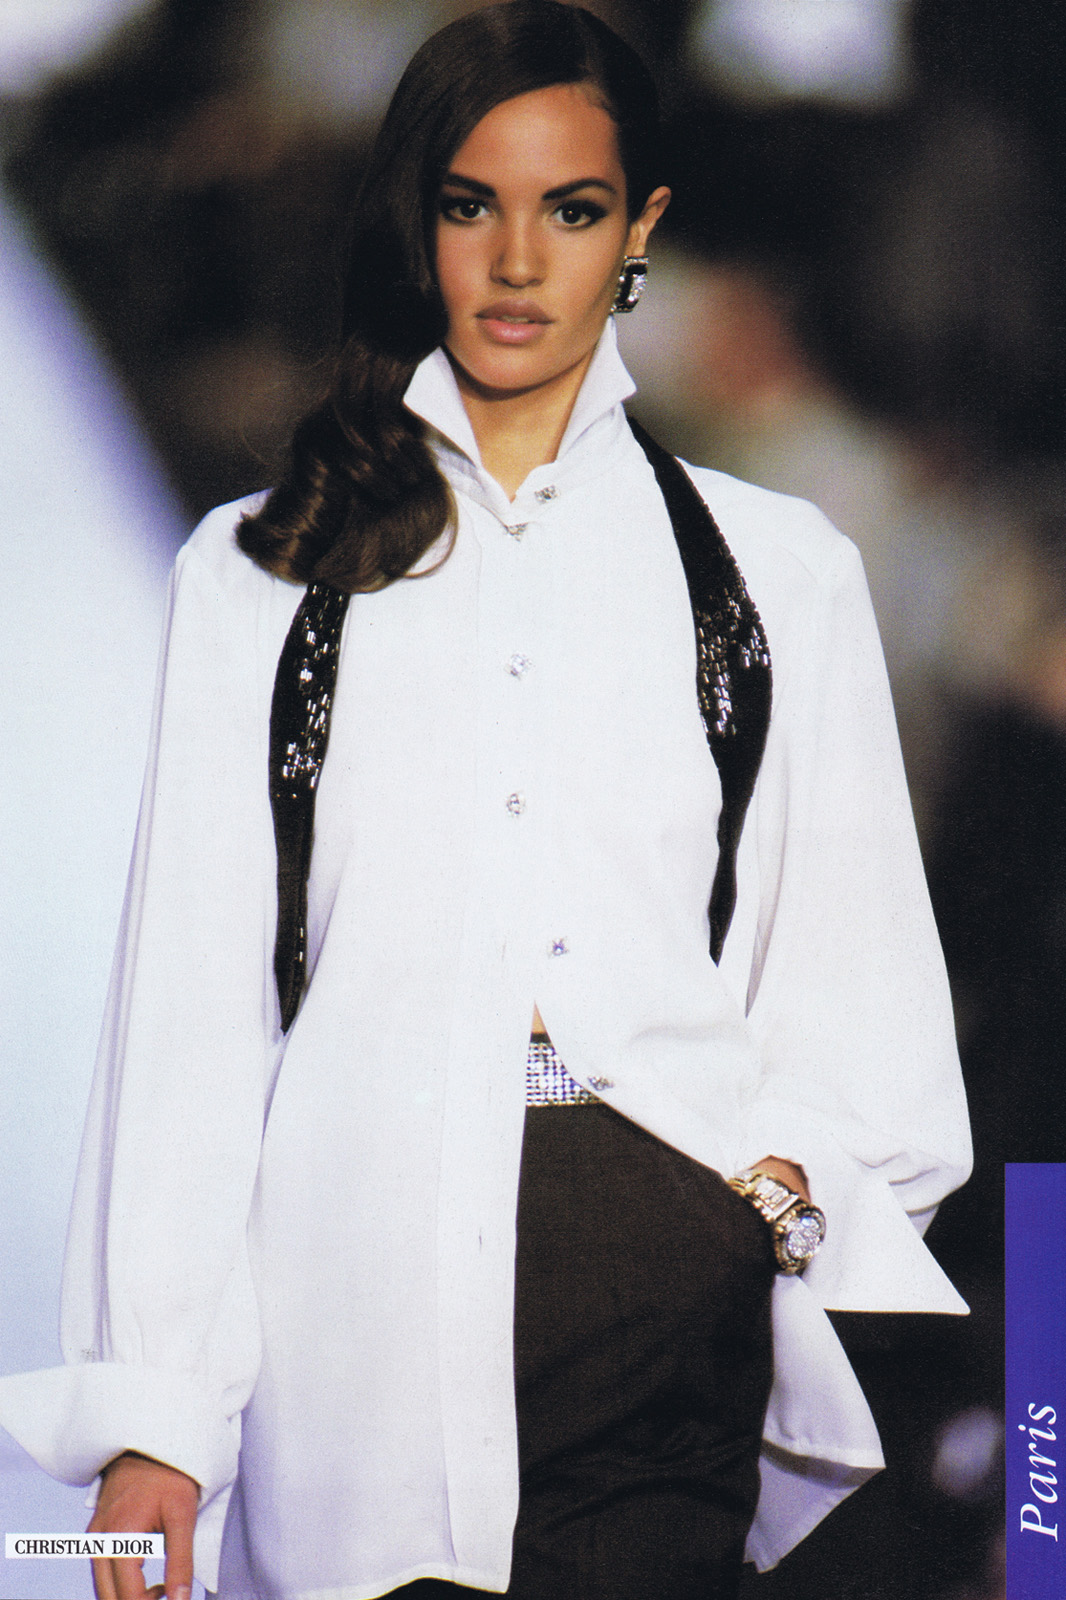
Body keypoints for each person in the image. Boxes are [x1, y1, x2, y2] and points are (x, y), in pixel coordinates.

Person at [0, 5, 971, 1599]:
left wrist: (764, 1208)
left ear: (639, 232)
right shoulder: (264, 577)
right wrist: (154, 1415)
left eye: (571, 209)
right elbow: (193, 1021)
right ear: (419, 224)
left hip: (662, 1321)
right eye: (473, 205)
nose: (519, 260)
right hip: (351, 1332)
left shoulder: (774, 576)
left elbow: (859, 999)